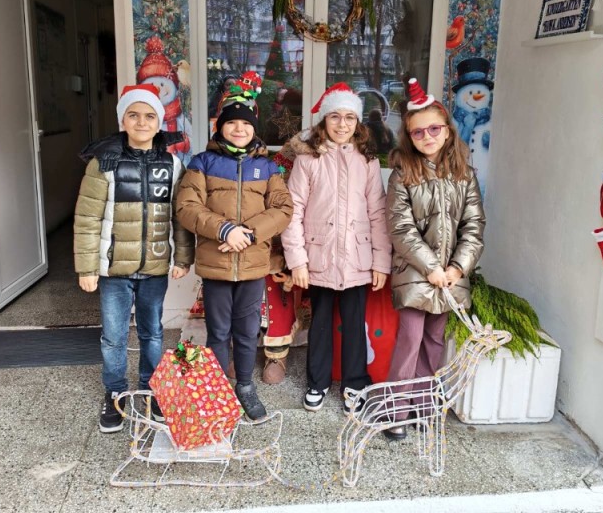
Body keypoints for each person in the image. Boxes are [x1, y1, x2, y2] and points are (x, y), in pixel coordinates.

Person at [74, 84, 195, 434]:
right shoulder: (103, 163)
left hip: (154, 267)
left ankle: (151, 389)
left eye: (149, 116)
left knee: (152, 333)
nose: (142, 122)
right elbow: (87, 218)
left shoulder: (172, 164)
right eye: (134, 115)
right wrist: (87, 267)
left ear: (159, 123)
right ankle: (114, 392)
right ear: (122, 121)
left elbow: (180, 216)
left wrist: (182, 257)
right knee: (113, 336)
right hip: (114, 270)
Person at [175, 75, 293, 421]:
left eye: (246, 123)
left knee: (247, 331)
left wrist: (249, 234)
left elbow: (283, 209)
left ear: (254, 128)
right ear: (220, 126)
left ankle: (244, 385)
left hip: (253, 266)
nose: (239, 129)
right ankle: (216, 390)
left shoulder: (267, 167)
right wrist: (225, 229)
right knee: (218, 331)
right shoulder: (203, 163)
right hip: (217, 265)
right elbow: (187, 207)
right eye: (231, 123)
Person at [382, 78, 485, 441]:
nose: (426, 136)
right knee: (410, 339)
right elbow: (400, 228)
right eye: (418, 132)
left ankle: (423, 405)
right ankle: (396, 409)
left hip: (451, 278)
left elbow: (474, 225)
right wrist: (431, 267)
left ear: (447, 130)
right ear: (409, 137)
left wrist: (458, 267)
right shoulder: (402, 176)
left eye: (433, 129)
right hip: (415, 274)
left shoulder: (464, 175)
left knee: (434, 341)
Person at [281, 83, 392, 414]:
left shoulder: (367, 161)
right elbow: (293, 211)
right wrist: (297, 261)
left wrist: (381, 262)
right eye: (335, 117)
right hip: (320, 255)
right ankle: (317, 381)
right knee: (321, 321)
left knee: (355, 322)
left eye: (349, 118)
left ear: (357, 122)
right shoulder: (308, 160)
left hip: (357, 256)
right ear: (324, 120)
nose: (342, 124)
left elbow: (377, 212)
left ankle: (355, 383)